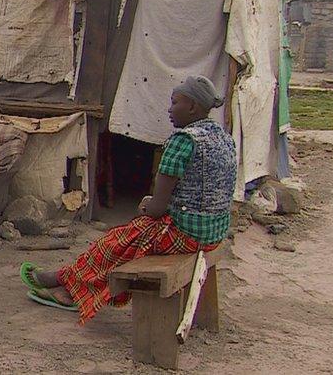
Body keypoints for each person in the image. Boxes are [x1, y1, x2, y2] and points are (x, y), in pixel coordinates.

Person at [20, 75, 235, 323]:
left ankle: (70, 287)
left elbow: (156, 209)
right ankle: (66, 279)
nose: (169, 109)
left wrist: (147, 205)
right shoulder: (222, 137)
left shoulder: (183, 142)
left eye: (175, 102)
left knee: (119, 242)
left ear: (193, 107)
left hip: (188, 235)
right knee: (128, 240)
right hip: (213, 233)